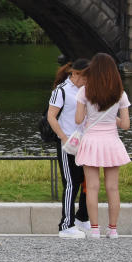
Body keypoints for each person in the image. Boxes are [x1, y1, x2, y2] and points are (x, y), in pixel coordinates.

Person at [74, 52, 131, 239]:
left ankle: (95, 229)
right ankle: (113, 229)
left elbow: (78, 119)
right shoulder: (119, 93)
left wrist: (92, 117)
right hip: (111, 142)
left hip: (91, 141)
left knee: (92, 187)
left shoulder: (85, 91)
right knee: (112, 188)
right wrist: (111, 118)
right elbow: (125, 125)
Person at [46, 58, 91, 238]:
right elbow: (51, 116)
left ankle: (82, 217)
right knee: (71, 183)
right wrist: (64, 138)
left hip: (85, 142)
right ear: (76, 74)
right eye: (86, 76)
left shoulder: (87, 91)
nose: (88, 79)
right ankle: (66, 224)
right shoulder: (61, 91)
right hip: (67, 143)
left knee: (86, 182)